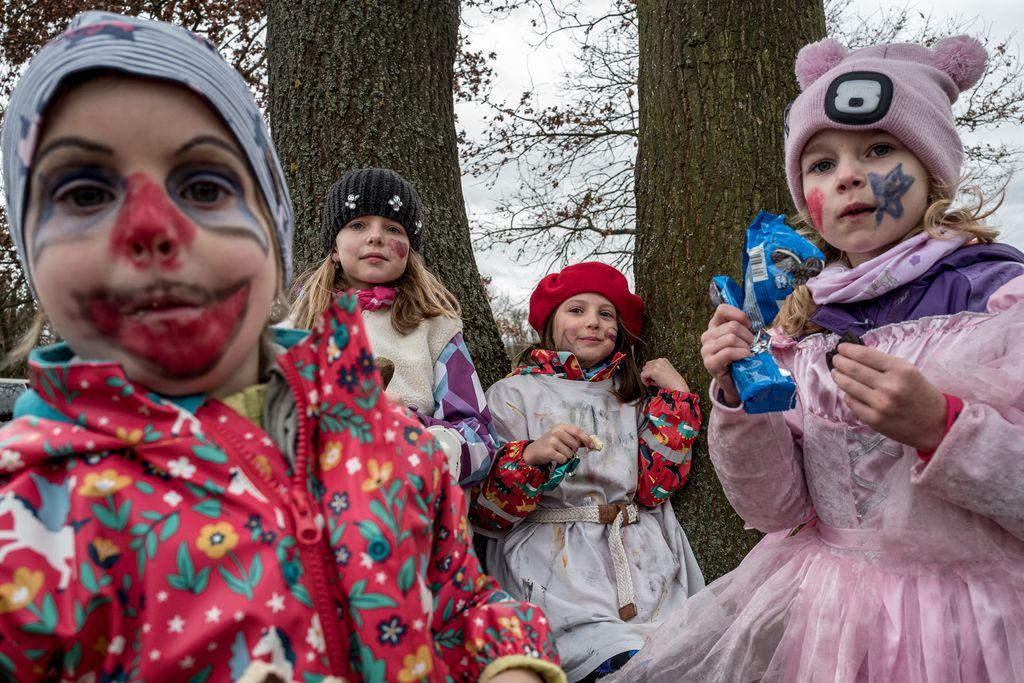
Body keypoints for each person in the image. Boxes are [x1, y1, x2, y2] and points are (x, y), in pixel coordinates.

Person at [0, 12, 565, 682]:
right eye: (85, 192)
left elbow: (460, 602)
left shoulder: (396, 445)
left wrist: (508, 664)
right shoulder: (29, 519)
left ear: (273, 229)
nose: (151, 226)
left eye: (203, 187)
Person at [609, 35, 1024, 682]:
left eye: (879, 150)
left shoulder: (997, 300)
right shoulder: (800, 325)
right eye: (822, 163)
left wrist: (941, 427)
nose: (847, 176)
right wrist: (741, 396)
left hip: (967, 623)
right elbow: (774, 510)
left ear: (933, 167)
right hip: (830, 622)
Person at [471, 262, 705, 682]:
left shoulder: (631, 396)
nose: (593, 322)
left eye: (605, 313)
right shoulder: (514, 393)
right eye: (576, 310)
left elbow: (654, 490)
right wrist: (531, 456)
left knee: (669, 654)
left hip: (637, 553)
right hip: (551, 559)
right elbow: (488, 513)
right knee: (604, 656)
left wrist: (677, 399)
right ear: (550, 322)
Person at [289, 169, 498, 487]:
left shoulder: (436, 329)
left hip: (404, 499)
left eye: (393, 228)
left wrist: (410, 428)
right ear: (333, 247)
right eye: (358, 225)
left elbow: (480, 440)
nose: (375, 236)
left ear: (409, 249)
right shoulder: (295, 325)